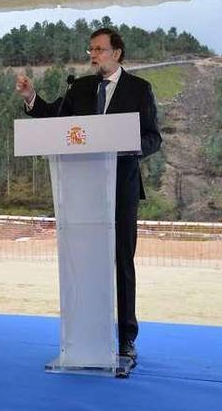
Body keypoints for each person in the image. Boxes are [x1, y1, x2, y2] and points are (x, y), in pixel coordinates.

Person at [15, 27, 162, 361]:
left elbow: (153, 137)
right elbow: (54, 119)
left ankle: (126, 337)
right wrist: (31, 98)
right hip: (83, 188)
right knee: (82, 259)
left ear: (117, 53)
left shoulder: (139, 89)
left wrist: (129, 147)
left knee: (122, 261)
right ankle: (84, 333)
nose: (93, 55)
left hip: (121, 186)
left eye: (99, 49)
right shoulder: (79, 87)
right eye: (91, 50)